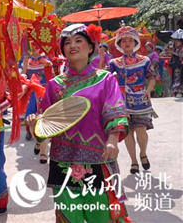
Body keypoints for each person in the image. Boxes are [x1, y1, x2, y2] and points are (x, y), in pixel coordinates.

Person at [26, 23, 130, 222]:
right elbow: (47, 124)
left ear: (91, 47)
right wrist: (35, 125)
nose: (72, 45)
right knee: (68, 217)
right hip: (63, 162)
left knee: (102, 216)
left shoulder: (105, 80)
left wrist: (113, 139)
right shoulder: (54, 85)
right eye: (67, 43)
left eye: (78, 41)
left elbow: (115, 111)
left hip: (99, 160)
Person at [109, 26, 156, 175]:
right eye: (124, 41)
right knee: (128, 132)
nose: (127, 43)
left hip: (140, 100)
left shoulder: (144, 60)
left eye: (130, 40)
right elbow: (107, 81)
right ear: (120, 44)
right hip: (122, 102)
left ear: (135, 42)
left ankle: (143, 153)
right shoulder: (114, 63)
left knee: (141, 129)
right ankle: (134, 161)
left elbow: (152, 77)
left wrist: (148, 90)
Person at [21, 48, 52, 163]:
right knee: (30, 117)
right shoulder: (27, 61)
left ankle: (43, 152)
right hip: (32, 93)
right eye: (30, 46)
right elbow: (24, 76)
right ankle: (37, 140)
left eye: (35, 46)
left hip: (45, 93)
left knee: (45, 120)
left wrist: (49, 66)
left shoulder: (46, 60)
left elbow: (51, 77)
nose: (33, 49)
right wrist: (24, 64)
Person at [166, 29, 183, 97]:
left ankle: (180, 91)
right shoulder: (173, 47)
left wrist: (173, 52)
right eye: (175, 40)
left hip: (181, 64)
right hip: (176, 65)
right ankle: (176, 91)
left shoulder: (181, 48)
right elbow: (164, 52)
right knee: (176, 77)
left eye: (177, 40)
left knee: (180, 77)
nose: (176, 42)